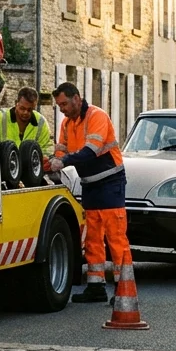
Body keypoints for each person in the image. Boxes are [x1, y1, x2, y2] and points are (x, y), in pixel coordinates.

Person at [48, 82, 129, 303]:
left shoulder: (97, 116)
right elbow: (61, 149)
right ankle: (96, 286)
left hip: (111, 182)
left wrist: (62, 161)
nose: (62, 109)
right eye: (59, 105)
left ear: (76, 98)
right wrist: (52, 162)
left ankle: (124, 289)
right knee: (92, 238)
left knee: (115, 237)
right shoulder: (66, 123)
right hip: (90, 184)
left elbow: (91, 151)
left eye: (64, 103)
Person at [0, 86, 53, 162]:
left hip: (30, 169)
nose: (26, 112)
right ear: (16, 103)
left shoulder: (41, 122)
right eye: (22, 108)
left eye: (30, 110)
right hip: (3, 168)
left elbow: (47, 149)